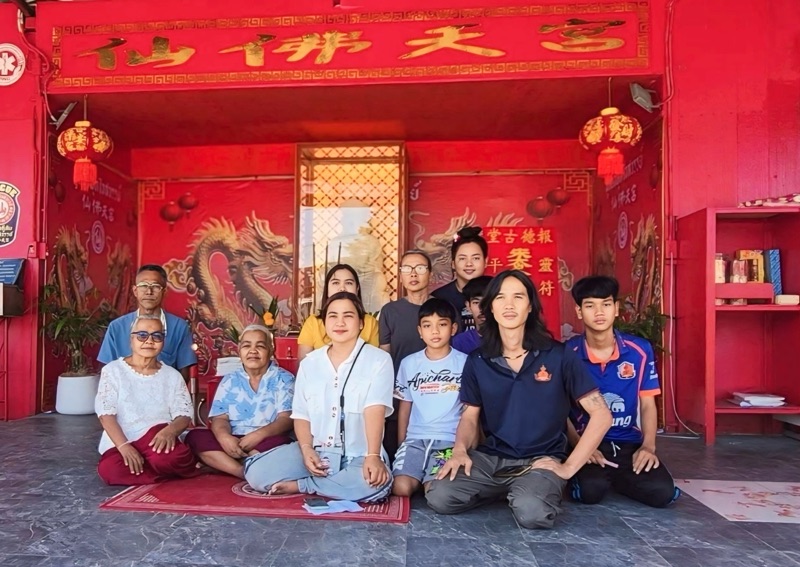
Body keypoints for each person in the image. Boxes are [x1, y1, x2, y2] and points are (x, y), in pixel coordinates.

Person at [425, 270, 612, 529]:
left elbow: (602, 415)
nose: (509, 305)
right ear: (491, 308)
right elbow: (469, 417)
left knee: (532, 513)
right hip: (492, 458)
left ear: (530, 306)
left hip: (540, 459)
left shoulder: (558, 355)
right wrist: (459, 451)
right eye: (500, 297)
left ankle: (526, 490)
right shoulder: (478, 360)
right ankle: (512, 489)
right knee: (440, 495)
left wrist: (568, 467)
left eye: (518, 297)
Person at [243, 292, 394, 502]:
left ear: (361, 323)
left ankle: (304, 485)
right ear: (324, 323)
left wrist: (373, 456)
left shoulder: (379, 360)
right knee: (257, 475)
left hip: (360, 454)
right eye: (333, 316)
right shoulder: (310, 363)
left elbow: (374, 409)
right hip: (318, 451)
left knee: (373, 482)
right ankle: (331, 484)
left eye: (348, 316)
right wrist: (306, 450)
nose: (340, 322)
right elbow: (301, 415)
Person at [566, 276, 679, 508]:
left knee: (663, 494)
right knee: (590, 492)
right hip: (586, 442)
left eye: (606, 304)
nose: (599, 312)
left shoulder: (640, 351)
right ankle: (606, 478)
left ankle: (617, 476)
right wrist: (579, 446)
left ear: (616, 309)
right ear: (578, 311)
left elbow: (647, 404)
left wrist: (648, 447)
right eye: (590, 305)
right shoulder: (567, 353)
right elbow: (559, 409)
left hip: (628, 443)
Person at [95, 315, 198, 485]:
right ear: (131, 340)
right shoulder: (113, 371)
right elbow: (106, 415)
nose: (149, 341)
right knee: (110, 470)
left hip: (158, 438)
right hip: (122, 439)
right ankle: (164, 474)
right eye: (142, 335)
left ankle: (150, 470)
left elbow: (184, 415)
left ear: (163, 342)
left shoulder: (172, 375)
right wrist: (124, 446)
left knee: (169, 458)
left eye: (157, 336)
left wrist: (170, 431)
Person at [185, 325, 294, 479]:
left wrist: (258, 435)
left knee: (285, 442)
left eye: (260, 346)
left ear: (271, 350)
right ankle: (242, 471)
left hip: (267, 438)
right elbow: (220, 418)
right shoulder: (229, 380)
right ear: (239, 350)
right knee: (195, 437)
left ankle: (224, 464)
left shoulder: (284, 379)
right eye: (247, 346)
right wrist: (225, 438)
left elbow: (286, 420)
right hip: (233, 437)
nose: (253, 351)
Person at [392, 298, 467, 497]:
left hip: (449, 441)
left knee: (435, 490)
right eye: (427, 326)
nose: (434, 331)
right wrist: (402, 444)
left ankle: (426, 479)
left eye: (442, 324)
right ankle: (416, 474)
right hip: (415, 440)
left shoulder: (465, 363)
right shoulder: (409, 363)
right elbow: (405, 406)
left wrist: (466, 447)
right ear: (419, 331)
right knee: (400, 488)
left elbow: (470, 411)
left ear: (453, 329)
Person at [98, 264, 196, 381]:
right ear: (135, 291)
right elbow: (107, 371)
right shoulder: (116, 327)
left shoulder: (179, 327)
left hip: (163, 390)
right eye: (143, 286)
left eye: (155, 286)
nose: (149, 291)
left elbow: (184, 373)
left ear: (164, 291)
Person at [297, 264, 379, 361]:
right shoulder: (313, 322)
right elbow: (304, 363)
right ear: (327, 289)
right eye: (335, 283)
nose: (342, 288)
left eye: (349, 283)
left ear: (357, 289)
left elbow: (374, 360)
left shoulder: (370, 322)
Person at [325, 199, 390, 313]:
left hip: (365, 283)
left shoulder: (371, 242)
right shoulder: (335, 242)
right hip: (340, 283)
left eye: (348, 216)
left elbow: (376, 268)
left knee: (378, 279)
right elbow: (329, 267)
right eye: (344, 216)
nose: (343, 220)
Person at [379, 249, 434, 374]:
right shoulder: (390, 311)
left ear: (430, 274)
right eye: (407, 269)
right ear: (400, 277)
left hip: (439, 380)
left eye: (420, 268)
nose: (413, 274)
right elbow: (385, 355)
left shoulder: (444, 308)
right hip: (401, 381)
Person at [432, 226, 487, 332]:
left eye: (476, 258)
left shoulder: (497, 292)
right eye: (462, 258)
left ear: (486, 262)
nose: (469, 264)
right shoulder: (438, 298)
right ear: (453, 264)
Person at [452, 275, 492, 354]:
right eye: (476, 302)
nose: (482, 308)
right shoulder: (460, 342)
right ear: (468, 306)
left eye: (487, 302)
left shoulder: (509, 339)